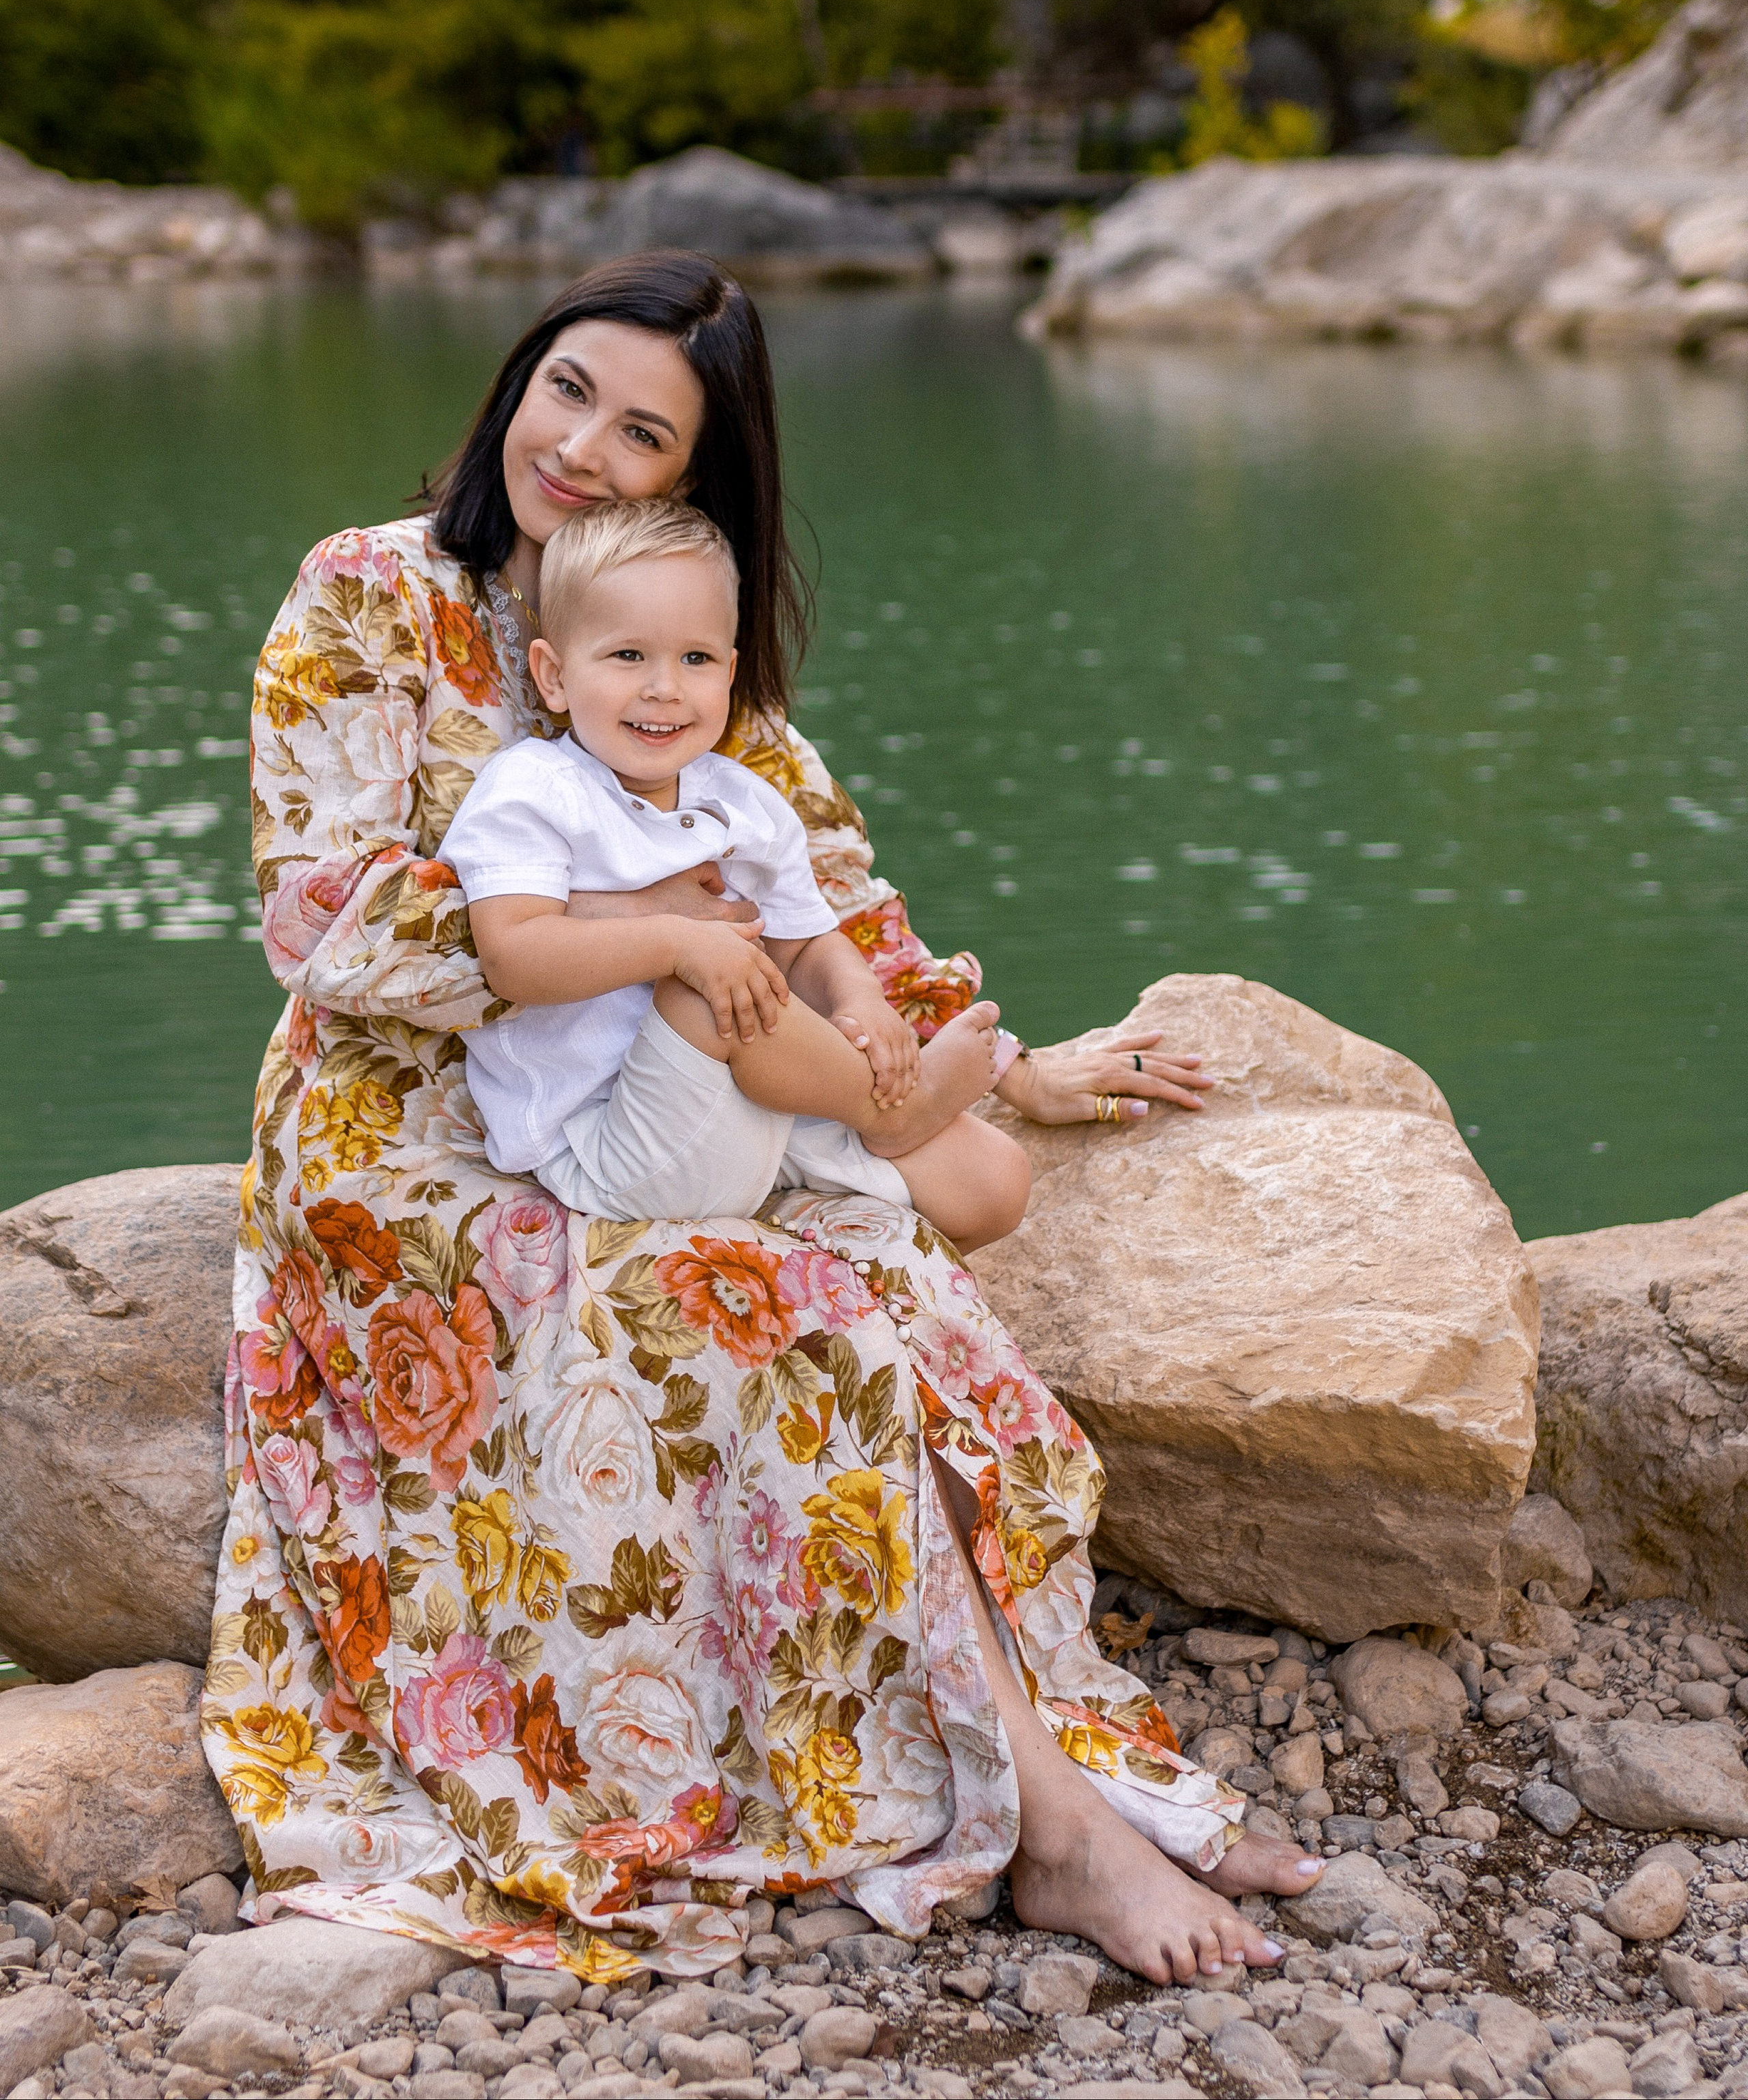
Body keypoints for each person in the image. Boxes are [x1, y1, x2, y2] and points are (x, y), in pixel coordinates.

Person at [205, 249, 1323, 1991]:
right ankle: (1053, 1827)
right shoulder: (366, 589)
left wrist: (1004, 1060)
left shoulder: (680, 635)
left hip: (695, 1071)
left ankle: (1051, 1776)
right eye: (568, 387)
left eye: (640, 430)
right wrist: (632, 935)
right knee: (762, 1310)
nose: (579, 446)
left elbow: (822, 893)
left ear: (689, 480)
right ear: (519, 375)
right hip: (406, 1124)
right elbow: (317, 920)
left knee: (899, 1292)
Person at [438, 496, 1032, 1248]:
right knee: (708, 976)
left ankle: (871, 1115)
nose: (664, 687)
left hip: (742, 1120)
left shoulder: (745, 801)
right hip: (613, 1148)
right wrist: (680, 943)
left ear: (730, 671)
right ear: (554, 675)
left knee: (993, 1181)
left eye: (695, 658)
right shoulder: (535, 790)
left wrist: (861, 1001)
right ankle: (890, 1109)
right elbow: (511, 953)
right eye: (627, 655)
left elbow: (805, 942)